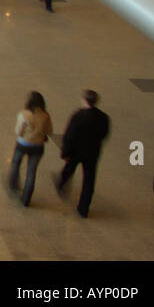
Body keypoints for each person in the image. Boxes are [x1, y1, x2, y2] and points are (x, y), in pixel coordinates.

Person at [51, 89, 111, 219]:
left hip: (76, 151)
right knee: (89, 180)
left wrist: (65, 152)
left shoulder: (78, 116)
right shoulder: (104, 117)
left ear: (84, 100)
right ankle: (83, 208)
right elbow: (104, 134)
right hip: (93, 152)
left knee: (69, 169)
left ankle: (61, 184)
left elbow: (69, 135)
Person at [8, 91, 53, 207]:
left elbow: (18, 132)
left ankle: (13, 184)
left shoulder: (24, 114)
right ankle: (26, 198)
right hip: (38, 146)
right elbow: (49, 131)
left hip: (23, 144)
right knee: (31, 172)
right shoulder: (45, 115)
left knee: (15, 163)